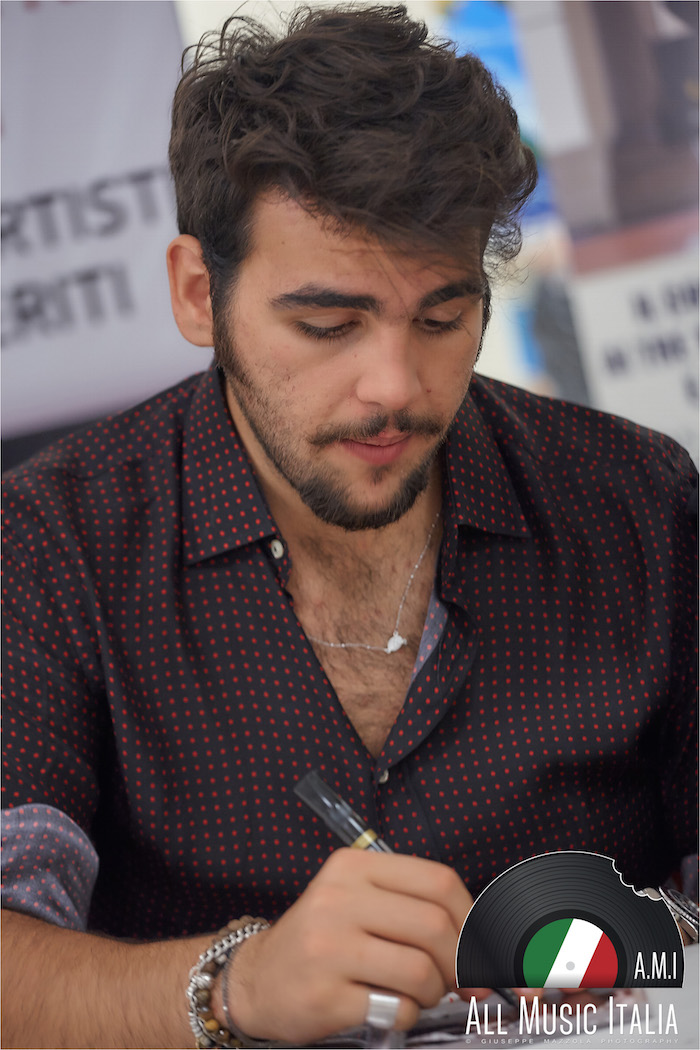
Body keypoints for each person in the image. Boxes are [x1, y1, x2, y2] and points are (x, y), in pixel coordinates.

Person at [2, 4, 697, 1048]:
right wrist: (231, 990)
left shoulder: (635, 501)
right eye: (327, 325)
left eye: (442, 318)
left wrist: (622, 949)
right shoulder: (53, 543)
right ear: (197, 293)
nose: (394, 387)